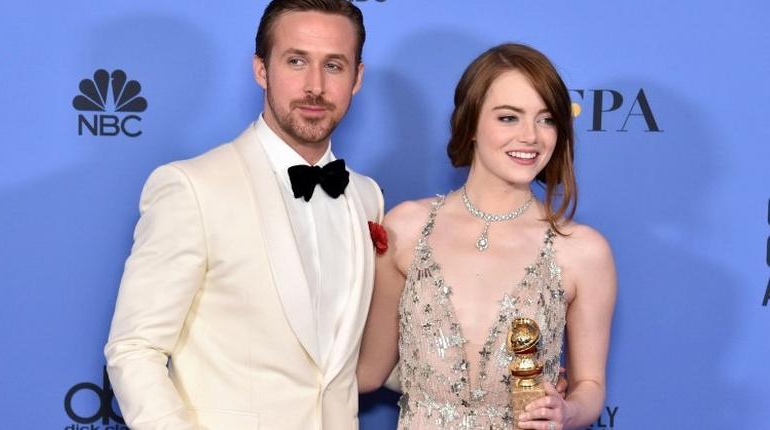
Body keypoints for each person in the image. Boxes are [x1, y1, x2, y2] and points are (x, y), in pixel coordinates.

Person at [103, 1, 383, 429]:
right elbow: (133, 348)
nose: (314, 86)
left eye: (334, 66)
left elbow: (351, 360)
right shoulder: (192, 187)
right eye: (296, 61)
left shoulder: (366, 197)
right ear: (261, 69)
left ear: (357, 78)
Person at [357, 43, 617, 430]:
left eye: (546, 119)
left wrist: (568, 411)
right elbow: (368, 372)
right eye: (509, 118)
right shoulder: (407, 228)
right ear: (472, 123)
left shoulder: (583, 250)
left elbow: (590, 386)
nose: (530, 136)